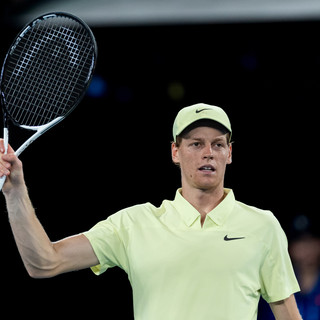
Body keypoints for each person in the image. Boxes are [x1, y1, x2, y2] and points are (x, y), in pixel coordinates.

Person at [0, 103, 302, 320]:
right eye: (196, 143)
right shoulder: (133, 225)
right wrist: (15, 190)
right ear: (175, 151)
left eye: (218, 144)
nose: (208, 152)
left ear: (229, 153)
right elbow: (44, 262)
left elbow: (288, 315)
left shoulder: (262, 226)